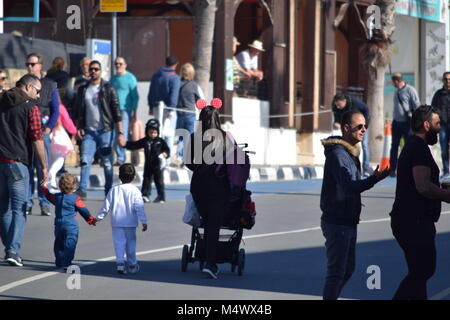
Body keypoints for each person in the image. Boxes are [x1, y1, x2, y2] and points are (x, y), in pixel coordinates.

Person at [320, 110, 389, 300]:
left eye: (365, 126)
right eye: (359, 126)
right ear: (346, 128)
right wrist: (374, 179)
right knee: (336, 273)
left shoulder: (350, 154)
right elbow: (348, 187)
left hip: (348, 221)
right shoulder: (338, 155)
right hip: (337, 222)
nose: (364, 129)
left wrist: (373, 178)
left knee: (347, 270)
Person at [390, 105, 450, 300]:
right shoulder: (418, 148)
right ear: (426, 125)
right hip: (413, 221)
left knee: (420, 272)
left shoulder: (416, 146)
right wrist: (445, 195)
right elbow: (422, 185)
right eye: (437, 123)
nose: (439, 128)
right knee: (422, 270)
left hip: (412, 220)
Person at [185, 101, 236, 279]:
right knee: (214, 223)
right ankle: (210, 262)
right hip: (218, 185)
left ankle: (204, 254)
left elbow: (188, 163)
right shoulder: (225, 137)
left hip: (198, 185)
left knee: (207, 221)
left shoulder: (193, 137)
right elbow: (234, 162)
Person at [0, 74, 48, 266]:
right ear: (28, 87)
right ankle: (13, 250)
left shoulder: (1, 100)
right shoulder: (30, 107)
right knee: (19, 208)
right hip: (19, 162)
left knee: (3, 208)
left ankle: (9, 247)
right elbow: (37, 138)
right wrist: (44, 166)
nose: (38, 96)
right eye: (37, 91)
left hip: (0, 162)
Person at [74, 60, 123, 199]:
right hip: (89, 132)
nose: (93, 71)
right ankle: (82, 189)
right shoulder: (83, 89)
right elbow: (78, 110)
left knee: (107, 162)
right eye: (91, 69)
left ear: (101, 71)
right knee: (85, 160)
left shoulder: (108, 88)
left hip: (105, 130)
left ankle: (108, 190)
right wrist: (78, 128)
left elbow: (116, 111)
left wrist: (120, 133)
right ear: (88, 71)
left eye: (96, 69)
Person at [95, 163, 148, 274]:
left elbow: (106, 206)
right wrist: (144, 221)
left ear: (119, 177)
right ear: (134, 177)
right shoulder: (135, 191)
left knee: (119, 243)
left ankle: (120, 264)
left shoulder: (113, 190)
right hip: (131, 224)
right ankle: (132, 265)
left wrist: (98, 218)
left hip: (117, 223)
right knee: (131, 244)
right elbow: (139, 207)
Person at [25, 53, 60, 216]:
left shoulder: (50, 84)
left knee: (42, 168)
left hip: (42, 131)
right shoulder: (23, 84)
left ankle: (44, 202)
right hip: (25, 133)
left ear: (40, 65)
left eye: (33, 64)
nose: (30, 67)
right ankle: (27, 202)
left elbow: (55, 110)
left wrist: (49, 128)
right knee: (27, 168)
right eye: (28, 64)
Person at [42, 173, 96, 270]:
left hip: (58, 224)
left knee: (59, 243)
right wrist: (90, 220)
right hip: (71, 225)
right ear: (74, 185)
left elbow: (48, 196)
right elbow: (83, 210)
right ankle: (67, 262)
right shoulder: (75, 198)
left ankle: (59, 261)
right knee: (70, 243)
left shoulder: (57, 197)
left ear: (59, 185)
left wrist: (44, 187)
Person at [120, 119, 169, 203]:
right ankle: (145, 195)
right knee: (146, 180)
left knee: (159, 181)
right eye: (151, 133)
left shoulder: (160, 141)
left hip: (158, 165)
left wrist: (165, 153)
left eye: (155, 133)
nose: (153, 135)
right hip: (148, 165)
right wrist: (125, 144)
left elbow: (167, 149)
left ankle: (161, 197)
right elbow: (135, 145)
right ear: (147, 132)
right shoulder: (145, 141)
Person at [148, 56, 181, 165]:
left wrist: (150, 106)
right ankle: (165, 160)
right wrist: (171, 109)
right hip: (168, 109)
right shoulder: (175, 78)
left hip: (157, 107)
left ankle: (157, 158)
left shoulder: (156, 75)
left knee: (158, 133)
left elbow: (151, 91)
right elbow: (174, 95)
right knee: (169, 134)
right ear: (175, 65)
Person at [332, 93, 373, 176]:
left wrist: (364, 125)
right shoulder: (336, 107)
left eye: (339, 105)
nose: (338, 107)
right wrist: (336, 122)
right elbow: (336, 115)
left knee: (364, 145)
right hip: (349, 128)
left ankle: (366, 167)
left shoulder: (354, 102)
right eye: (336, 105)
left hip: (360, 125)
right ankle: (352, 165)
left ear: (344, 101)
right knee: (350, 145)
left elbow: (366, 109)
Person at [389, 73, 420, 177]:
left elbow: (417, 106)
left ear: (397, 81)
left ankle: (409, 168)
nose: (393, 84)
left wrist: (414, 119)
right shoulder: (397, 91)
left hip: (407, 123)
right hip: (396, 123)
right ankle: (392, 169)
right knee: (394, 146)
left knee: (408, 146)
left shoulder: (410, 90)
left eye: (393, 82)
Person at [110, 57, 139, 166]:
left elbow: (135, 96)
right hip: (112, 110)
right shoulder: (112, 79)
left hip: (125, 110)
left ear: (125, 65)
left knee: (123, 133)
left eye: (120, 63)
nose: (118, 66)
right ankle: (115, 156)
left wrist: (135, 113)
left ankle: (121, 157)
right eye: (116, 64)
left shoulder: (130, 78)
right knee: (113, 134)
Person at [175, 62, 203, 166]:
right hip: (190, 114)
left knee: (181, 136)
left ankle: (179, 157)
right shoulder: (193, 85)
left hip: (179, 113)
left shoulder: (177, 83)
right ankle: (188, 159)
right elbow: (198, 100)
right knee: (190, 137)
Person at [48, 97, 77, 190]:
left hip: (47, 134)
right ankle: (51, 175)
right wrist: (74, 131)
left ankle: (51, 181)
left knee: (50, 159)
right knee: (60, 159)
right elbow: (67, 121)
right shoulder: (60, 107)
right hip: (58, 134)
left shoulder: (44, 106)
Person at [431, 72, 450, 178]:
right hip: (442, 126)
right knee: (444, 149)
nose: (447, 81)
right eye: (445, 79)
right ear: (443, 80)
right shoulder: (438, 94)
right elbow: (433, 108)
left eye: (449, 79)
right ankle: (446, 170)